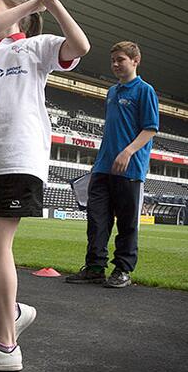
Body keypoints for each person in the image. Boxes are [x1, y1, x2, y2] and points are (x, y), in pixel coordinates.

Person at [0, 0, 90, 371]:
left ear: (16, 15)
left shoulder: (36, 47)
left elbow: (81, 46)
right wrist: (34, 3)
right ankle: (12, 310)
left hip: (19, 156)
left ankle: (5, 346)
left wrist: (52, 4)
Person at [66, 41, 159, 288]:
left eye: (121, 59)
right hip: (102, 168)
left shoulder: (145, 90)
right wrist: (100, 161)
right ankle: (95, 268)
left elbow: (150, 129)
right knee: (97, 220)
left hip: (130, 168)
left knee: (127, 222)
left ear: (135, 61)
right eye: (113, 60)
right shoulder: (112, 92)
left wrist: (127, 152)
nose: (115, 64)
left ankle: (122, 270)